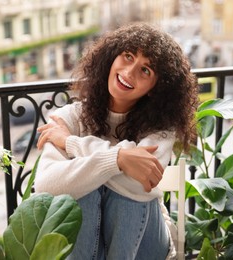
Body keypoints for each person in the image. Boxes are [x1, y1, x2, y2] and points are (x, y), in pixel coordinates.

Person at [35, 22, 198, 260]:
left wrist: (72, 144)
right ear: (112, 57)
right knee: (82, 192)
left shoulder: (161, 128)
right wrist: (121, 159)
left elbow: (140, 187)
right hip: (89, 247)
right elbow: (47, 185)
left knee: (126, 196)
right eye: (128, 56)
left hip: (146, 246)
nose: (130, 72)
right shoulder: (69, 117)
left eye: (146, 70)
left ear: (155, 88)